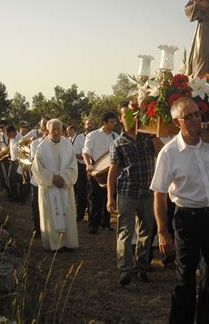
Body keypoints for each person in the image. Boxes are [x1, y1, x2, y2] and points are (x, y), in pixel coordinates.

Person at [150, 97, 209, 323]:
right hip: (188, 219)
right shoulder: (169, 153)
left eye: (196, 114)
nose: (194, 119)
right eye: (187, 116)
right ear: (176, 122)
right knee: (184, 278)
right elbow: (159, 194)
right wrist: (163, 232)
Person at [106, 103, 162, 286]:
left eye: (133, 115)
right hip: (127, 193)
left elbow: (162, 153)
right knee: (125, 232)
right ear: (121, 120)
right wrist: (109, 197)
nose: (129, 118)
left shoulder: (148, 137)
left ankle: (141, 268)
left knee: (146, 232)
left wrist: (154, 134)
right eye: (125, 116)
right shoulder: (117, 143)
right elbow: (113, 171)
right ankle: (125, 270)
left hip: (147, 192)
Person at [31, 118, 79, 251]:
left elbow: (73, 165)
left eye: (59, 129)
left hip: (64, 185)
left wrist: (63, 177)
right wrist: (53, 178)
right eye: (53, 130)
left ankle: (68, 242)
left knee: (66, 212)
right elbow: (37, 169)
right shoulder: (42, 147)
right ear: (48, 131)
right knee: (51, 215)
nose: (56, 132)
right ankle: (54, 244)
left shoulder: (68, 145)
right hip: (49, 187)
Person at [82, 112, 118, 234]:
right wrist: (88, 165)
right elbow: (86, 152)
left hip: (110, 172)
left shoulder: (116, 136)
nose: (114, 123)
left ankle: (106, 223)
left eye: (115, 121)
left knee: (108, 197)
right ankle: (93, 224)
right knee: (94, 198)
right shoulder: (93, 135)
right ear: (104, 122)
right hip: (95, 172)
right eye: (112, 121)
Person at [69, 120, 93, 222]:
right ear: (84, 125)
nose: (90, 125)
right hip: (82, 167)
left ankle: (93, 217)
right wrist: (86, 158)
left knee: (93, 192)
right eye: (88, 124)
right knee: (81, 191)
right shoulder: (79, 138)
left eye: (92, 124)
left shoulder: (95, 136)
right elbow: (75, 154)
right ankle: (80, 215)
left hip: (94, 167)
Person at [29, 119, 48, 237]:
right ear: (41, 130)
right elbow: (34, 161)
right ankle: (37, 229)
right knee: (36, 205)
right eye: (44, 129)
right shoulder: (35, 144)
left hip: (51, 181)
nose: (46, 131)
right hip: (37, 181)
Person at [6, 125, 23, 202]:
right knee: (10, 178)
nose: (8, 137)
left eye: (8, 134)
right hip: (13, 161)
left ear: (12, 132)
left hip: (19, 162)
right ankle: (14, 195)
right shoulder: (11, 139)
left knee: (18, 179)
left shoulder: (21, 138)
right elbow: (11, 148)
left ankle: (20, 197)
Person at [0, 119, 10, 193]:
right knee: (3, 175)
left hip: (11, 156)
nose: (1, 129)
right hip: (3, 156)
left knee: (10, 175)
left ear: (6, 126)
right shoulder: (0, 135)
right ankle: (6, 190)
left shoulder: (11, 133)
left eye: (2, 127)